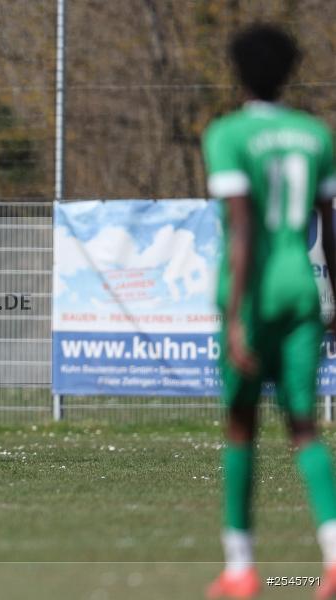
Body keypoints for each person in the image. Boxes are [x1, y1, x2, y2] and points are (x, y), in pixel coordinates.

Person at [202, 24, 336, 599]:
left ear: (238, 73)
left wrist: (236, 315)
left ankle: (242, 568)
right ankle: (333, 558)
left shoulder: (227, 134)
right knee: (304, 426)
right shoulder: (315, 134)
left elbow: (242, 227)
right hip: (302, 291)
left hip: (254, 293)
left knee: (241, 425)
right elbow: (330, 228)